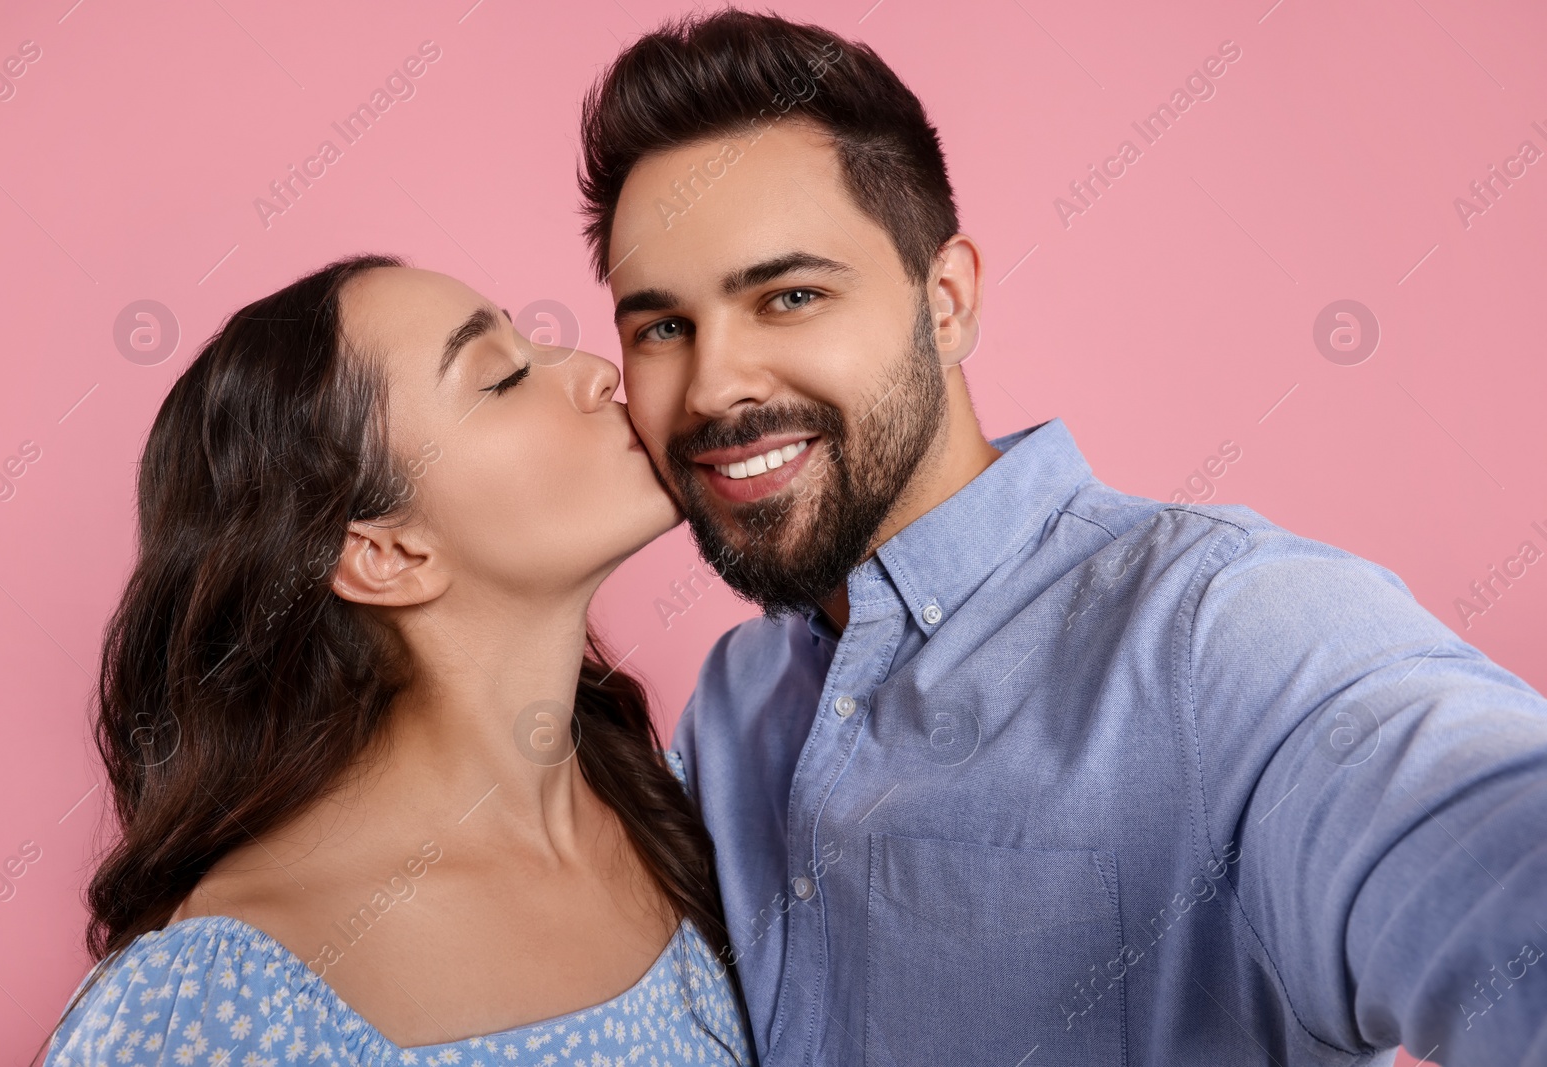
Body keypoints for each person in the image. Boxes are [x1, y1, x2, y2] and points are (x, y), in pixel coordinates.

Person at [577, 10, 1547, 1066]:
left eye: (791, 295)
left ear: (945, 302)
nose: (713, 384)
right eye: (662, 327)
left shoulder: (1215, 629)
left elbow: (1486, 845)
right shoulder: (732, 704)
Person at [42, 255, 753, 1066]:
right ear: (385, 553)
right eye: (502, 377)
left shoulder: (690, 808)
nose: (596, 372)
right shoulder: (217, 1002)